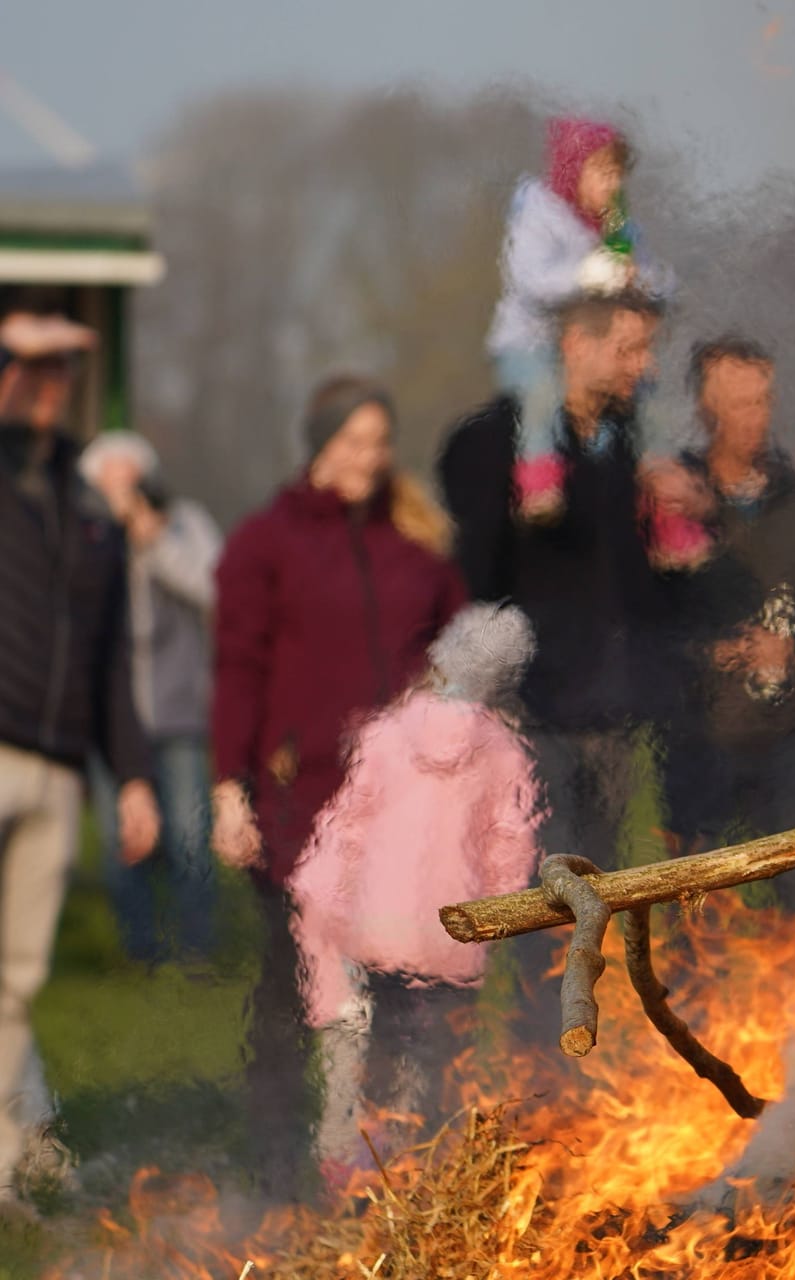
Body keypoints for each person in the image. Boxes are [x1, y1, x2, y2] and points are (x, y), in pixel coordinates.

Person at [210, 375, 465, 1201]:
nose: (368, 458)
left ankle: (395, 1160)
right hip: (299, 806)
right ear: (317, 444)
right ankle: (282, 1173)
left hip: (401, 814)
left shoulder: (411, 546)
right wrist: (228, 790)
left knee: (403, 993)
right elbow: (238, 671)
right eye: (351, 441)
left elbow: (462, 652)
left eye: (378, 442)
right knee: (295, 995)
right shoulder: (265, 543)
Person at [290, 603, 542, 1192]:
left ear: (439, 659)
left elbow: (349, 825)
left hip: (379, 925)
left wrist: (333, 904)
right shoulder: (505, 750)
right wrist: (500, 918)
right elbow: (510, 844)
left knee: (376, 1045)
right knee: (435, 1056)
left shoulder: (385, 734)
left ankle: (358, 1170)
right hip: (454, 932)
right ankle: (423, 1168)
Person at [0, 302, 158, 1205]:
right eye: (31, 368)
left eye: (62, 372)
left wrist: (132, 775)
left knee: (17, 982)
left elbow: (105, 664)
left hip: (59, 769)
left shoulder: (86, 505)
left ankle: (19, 1158)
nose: (46, 386)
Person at [441, 290, 668, 873]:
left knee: (606, 884)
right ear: (576, 345)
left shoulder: (625, 444)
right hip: (533, 711)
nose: (644, 366)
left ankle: (602, 970)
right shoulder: (497, 443)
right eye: (629, 349)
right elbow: (474, 574)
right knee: (544, 887)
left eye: (647, 349)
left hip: (612, 707)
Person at [651, 336, 795, 911]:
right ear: (704, 409)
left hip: (788, 740)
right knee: (695, 904)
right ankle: (685, 1000)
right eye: (737, 404)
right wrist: (708, 654)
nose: (753, 418)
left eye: (761, 401)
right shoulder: (668, 502)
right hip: (697, 737)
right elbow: (641, 624)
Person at [77, 432, 223, 967]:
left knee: (189, 833)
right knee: (124, 839)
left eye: (130, 481)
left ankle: (197, 949)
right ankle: (138, 950)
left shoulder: (186, 523)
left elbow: (212, 587)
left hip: (179, 708)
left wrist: (152, 540)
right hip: (112, 718)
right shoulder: (85, 534)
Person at [488, 117, 673, 522]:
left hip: (597, 350)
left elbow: (657, 277)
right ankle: (539, 485)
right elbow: (530, 281)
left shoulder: (620, 228)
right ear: (572, 170)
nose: (613, 186)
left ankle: (663, 504)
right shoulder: (538, 216)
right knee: (542, 398)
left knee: (648, 400)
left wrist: (641, 278)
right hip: (530, 343)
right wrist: (588, 275)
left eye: (618, 175)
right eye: (603, 173)